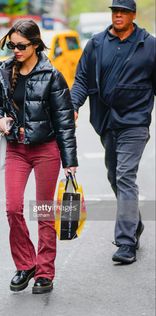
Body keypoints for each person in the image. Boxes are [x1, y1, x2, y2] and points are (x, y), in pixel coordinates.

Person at [0, 20, 77, 294]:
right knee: (12, 208)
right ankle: (26, 264)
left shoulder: (51, 75)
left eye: (21, 45)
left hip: (45, 150)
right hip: (17, 148)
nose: (15, 50)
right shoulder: (4, 72)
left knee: (44, 212)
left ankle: (45, 271)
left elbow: (64, 122)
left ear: (36, 44)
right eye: (11, 45)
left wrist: (70, 162)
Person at [71, 0, 156, 264]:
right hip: (106, 120)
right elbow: (82, 78)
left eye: (123, 11)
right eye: (114, 11)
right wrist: (73, 105)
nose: (118, 15)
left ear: (133, 15)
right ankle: (134, 222)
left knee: (124, 176)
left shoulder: (149, 45)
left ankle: (126, 242)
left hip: (135, 121)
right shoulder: (96, 43)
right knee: (114, 175)